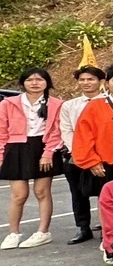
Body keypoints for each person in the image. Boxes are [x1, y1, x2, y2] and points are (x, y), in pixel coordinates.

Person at [0, 67, 60, 249]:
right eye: (30, 80)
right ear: (23, 83)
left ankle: (43, 232)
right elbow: (2, 131)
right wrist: (1, 155)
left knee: (42, 192)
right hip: (16, 148)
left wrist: (48, 153)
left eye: (39, 79)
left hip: (43, 147)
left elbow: (57, 131)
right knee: (19, 194)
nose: (35, 83)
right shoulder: (8, 103)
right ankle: (13, 233)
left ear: (47, 83)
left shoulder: (57, 104)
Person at [58, 64, 106, 244]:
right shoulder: (70, 105)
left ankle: (107, 229)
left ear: (101, 81)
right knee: (78, 193)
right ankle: (83, 227)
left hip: (104, 155)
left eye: (91, 79)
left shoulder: (109, 102)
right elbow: (66, 130)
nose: (86, 83)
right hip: (77, 155)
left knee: (105, 192)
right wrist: (78, 151)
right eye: (82, 80)